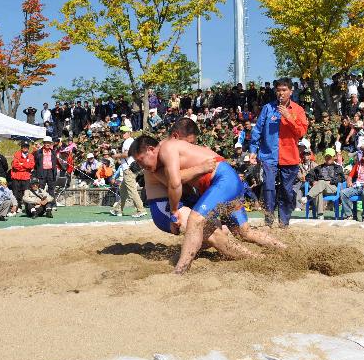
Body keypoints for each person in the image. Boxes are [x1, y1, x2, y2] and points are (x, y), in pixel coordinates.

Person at [131, 135, 285, 274]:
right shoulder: (166, 158)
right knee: (243, 233)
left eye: (140, 160)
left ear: (151, 149)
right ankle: (284, 250)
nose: (140, 166)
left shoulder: (167, 148)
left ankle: (181, 269)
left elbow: (175, 183)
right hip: (228, 181)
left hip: (222, 180)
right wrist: (199, 169)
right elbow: (178, 181)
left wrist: (173, 212)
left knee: (196, 220)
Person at [249, 78, 309, 227]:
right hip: (269, 154)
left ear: (291, 91)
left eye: (284, 90)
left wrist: (288, 117)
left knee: (287, 191)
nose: (281, 93)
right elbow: (258, 129)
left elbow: (301, 132)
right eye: (279, 90)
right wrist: (253, 150)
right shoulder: (268, 108)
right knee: (268, 187)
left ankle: (284, 222)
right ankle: (269, 220)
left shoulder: (298, 110)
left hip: (290, 156)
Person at [109, 128, 147, 218]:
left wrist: (115, 156)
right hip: (132, 167)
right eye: (121, 132)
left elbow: (126, 154)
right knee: (123, 190)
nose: (122, 134)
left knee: (131, 190)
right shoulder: (131, 141)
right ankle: (118, 209)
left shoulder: (128, 141)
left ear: (129, 133)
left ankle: (141, 210)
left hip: (128, 169)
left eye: (124, 132)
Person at [305, 147, 344, 219]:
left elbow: (341, 178)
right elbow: (308, 176)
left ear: (334, 157)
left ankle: (308, 197)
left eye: (330, 157)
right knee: (318, 191)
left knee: (321, 182)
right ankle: (320, 215)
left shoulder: (338, 168)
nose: (328, 158)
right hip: (320, 188)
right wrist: (313, 181)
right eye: (326, 156)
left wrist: (331, 181)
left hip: (332, 188)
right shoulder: (319, 168)